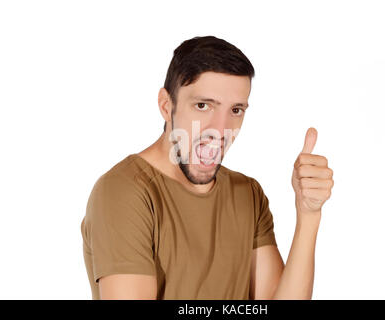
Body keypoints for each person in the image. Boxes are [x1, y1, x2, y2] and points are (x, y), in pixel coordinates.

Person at [80, 35, 334, 300]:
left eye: (236, 110)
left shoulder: (247, 193)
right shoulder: (124, 192)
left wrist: (308, 214)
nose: (221, 129)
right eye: (203, 106)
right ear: (167, 106)